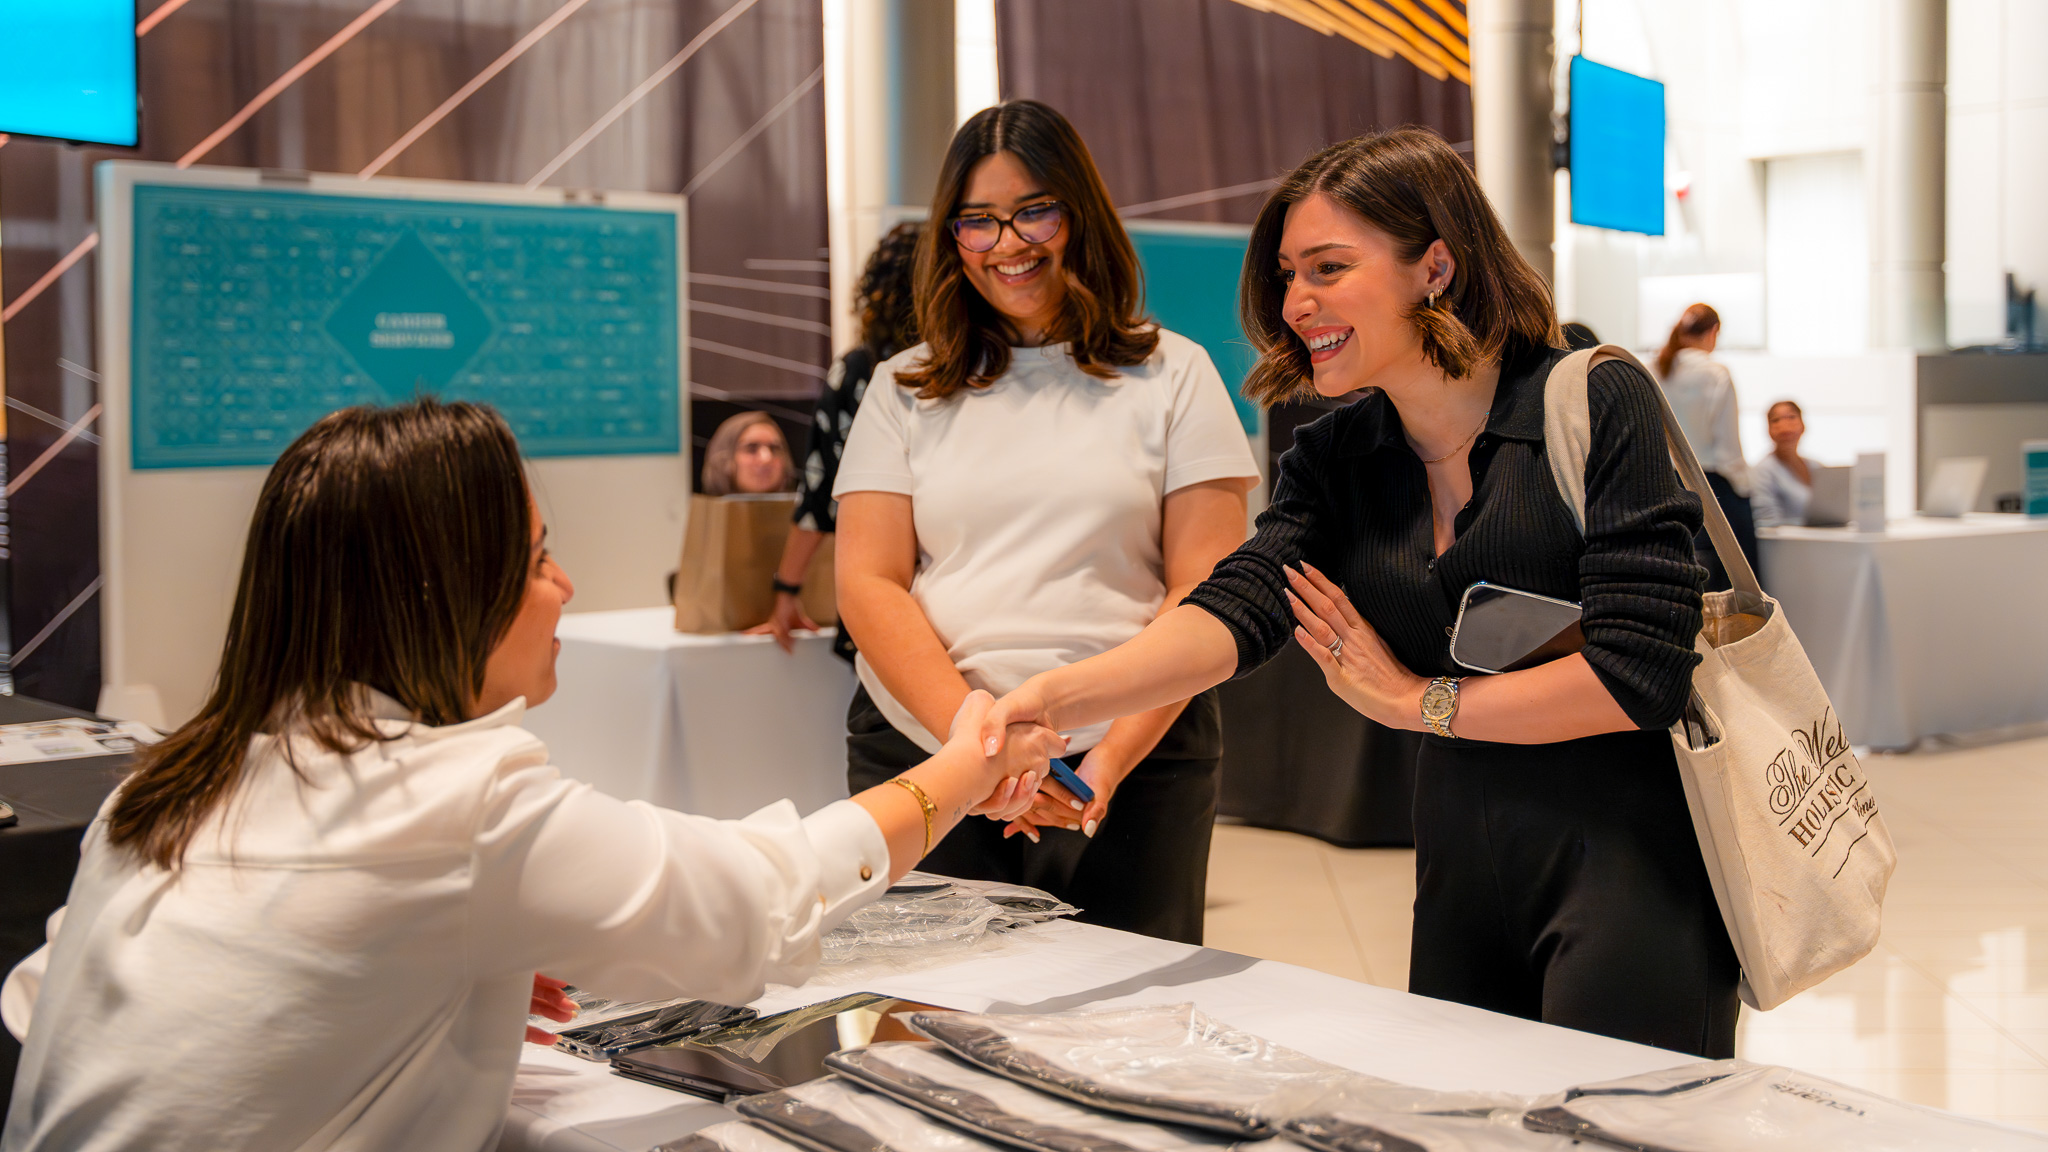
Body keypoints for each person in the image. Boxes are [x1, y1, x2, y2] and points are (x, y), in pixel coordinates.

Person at [0, 399, 1061, 1152]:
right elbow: (760, 892)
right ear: (444, 597)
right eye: (537, 557)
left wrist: (386, 980)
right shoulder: (447, 801)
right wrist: (962, 769)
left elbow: (49, 999)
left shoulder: (174, 779)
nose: (565, 585)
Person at [979, 127, 1741, 1057]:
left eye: (1329, 268)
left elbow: (1640, 675)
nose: (1297, 303)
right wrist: (1052, 699)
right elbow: (1238, 608)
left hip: (1635, 860)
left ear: (1436, 266)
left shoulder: (1591, 399)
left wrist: (1417, 702)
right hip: (1464, 862)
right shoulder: (1339, 457)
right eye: (1288, 274)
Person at [832, 100, 1260, 945]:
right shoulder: (902, 386)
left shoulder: (1175, 374)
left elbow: (1204, 592)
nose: (1009, 244)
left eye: (1034, 211)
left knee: (1123, 1034)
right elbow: (868, 580)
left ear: (1080, 214)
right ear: (950, 237)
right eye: (978, 222)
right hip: (929, 751)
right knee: (930, 1030)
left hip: (1133, 760)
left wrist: (1103, 765)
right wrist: (977, 750)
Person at [749, 222, 923, 656]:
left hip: (882, 606)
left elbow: (819, 490)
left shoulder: (859, 371)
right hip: (962, 603)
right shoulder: (977, 375)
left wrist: (787, 588)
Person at [1654, 303, 1759, 588]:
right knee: (1738, 583)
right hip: (1711, 486)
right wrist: (1745, 487)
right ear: (1714, 332)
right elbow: (1728, 449)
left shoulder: (1655, 369)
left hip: (1665, 487)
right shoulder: (1716, 373)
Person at [1752, 399, 1815, 527]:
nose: (1785, 425)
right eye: (1776, 420)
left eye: (1791, 417)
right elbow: (1766, 524)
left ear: (1803, 425)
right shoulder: (1763, 471)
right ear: (1769, 430)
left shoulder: (1816, 467)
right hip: (1787, 544)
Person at [701, 410, 794, 495]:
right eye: (751, 449)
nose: (766, 458)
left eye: (774, 448)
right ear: (723, 459)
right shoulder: (700, 512)